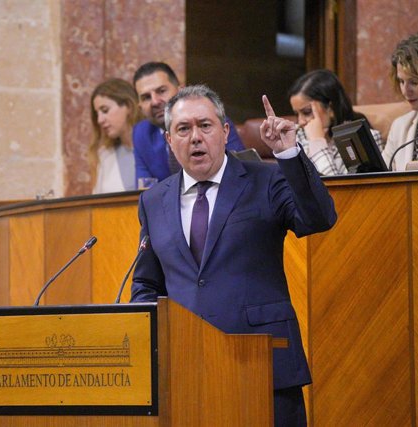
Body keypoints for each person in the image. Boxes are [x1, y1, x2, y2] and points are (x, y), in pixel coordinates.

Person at [130, 84, 337, 425]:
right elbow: (147, 284)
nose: (195, 137)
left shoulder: (266, 180)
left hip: (264, 366)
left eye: (205, 125)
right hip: (186, 372)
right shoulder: (153, 201)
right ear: (169, 140)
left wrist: (288, 154)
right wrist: (150, 344)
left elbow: (319, 218)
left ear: (225, 132)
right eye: (183, 129)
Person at [132, 62, 244, 185]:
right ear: (140, 106)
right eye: (146, 97)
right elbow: (144, 188)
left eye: (161, 91)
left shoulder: (213, 123)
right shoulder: (141, 133)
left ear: (181, 92)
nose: (154, 102)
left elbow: (239, 174)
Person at [288, 69, 382, 176]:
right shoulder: (299, 137)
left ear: (331, 108)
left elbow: (339, 191)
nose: (300, 121)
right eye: (297, 114)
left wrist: (317, 143)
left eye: (307, 112)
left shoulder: (367, 139)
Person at [382, 29, 418, 171]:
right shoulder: (400, 126)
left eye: (413, 82)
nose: (405, 90)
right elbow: (382, 177)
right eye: (401, 81)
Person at [89, 78, 142, 194]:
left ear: (128, 106)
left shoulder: (156, 147)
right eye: (97, 114)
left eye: (105, 110)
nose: (99, 120)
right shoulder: (105, 155)